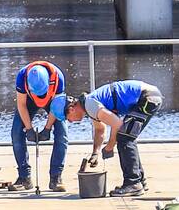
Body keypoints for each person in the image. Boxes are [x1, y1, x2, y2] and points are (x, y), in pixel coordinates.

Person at [54, 80, 164, 197]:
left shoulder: (90, 105)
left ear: (71, 109)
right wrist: (95, 153)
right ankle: (139, 181)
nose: (70, 121)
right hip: (150, 96)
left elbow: (117, 124)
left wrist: (110, 146)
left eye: (68, 119)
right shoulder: (89, 105)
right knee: (127, 136)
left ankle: (133, 183)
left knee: (124, 138)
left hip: (147, 98)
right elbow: (100, 130)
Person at [11, 61, 69, 192]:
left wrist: (47, 128)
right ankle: (24, 177)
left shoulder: (58, 77)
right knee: (16, 133)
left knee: (62, 134)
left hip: (53, 100)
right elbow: (21, 104)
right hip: (28, 101)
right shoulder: (22, 76)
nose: (40, 96)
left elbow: (58, 107)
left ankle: (56, 177)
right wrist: (29, 128)